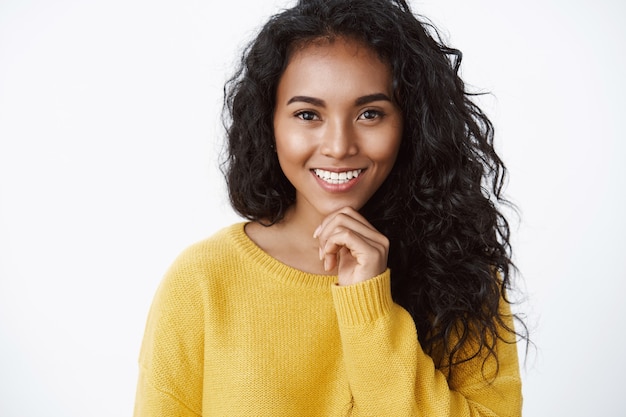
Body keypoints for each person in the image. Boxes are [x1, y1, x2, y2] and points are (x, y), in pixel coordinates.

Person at [133, 0, 528, 415]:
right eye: (307, 114)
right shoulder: (202, 281)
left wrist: (368, 307)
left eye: (370, 113)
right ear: (267, 124)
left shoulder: (461, 277)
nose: (339, 147)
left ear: (410, 124)